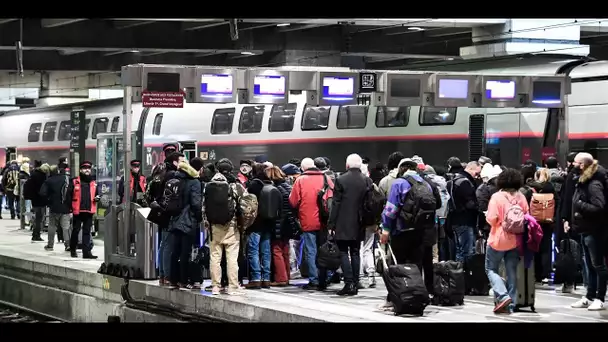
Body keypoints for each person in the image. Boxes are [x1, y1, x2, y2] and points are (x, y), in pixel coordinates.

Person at [380, 158, 434, 308]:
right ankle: (416, 296)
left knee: (397, 266)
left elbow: (391, 209)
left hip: (401, 230)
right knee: (416, 266)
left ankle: (394, 298)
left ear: (401, 169)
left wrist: (386, 229)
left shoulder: (399, 183)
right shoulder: (425, 184)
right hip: (420, 231)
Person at [485, 168, 528, 314]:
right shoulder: (521, 197)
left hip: (498, 238)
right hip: (516, 239)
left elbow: (491, 218)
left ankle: (503, 296)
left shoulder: (497, 197)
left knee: (491, 269)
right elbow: (526, 215)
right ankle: (512, 303)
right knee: (512, 271)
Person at [569, 152, 607, 311]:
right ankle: (589, 295)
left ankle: (599, 297)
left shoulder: (593, 184)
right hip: (585, 229)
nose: (572, 164)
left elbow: (599, 206)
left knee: (598, 265)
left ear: (583, 165)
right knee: (589, 265)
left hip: (595, 230)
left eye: (575, 162)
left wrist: (580, 205)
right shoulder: (583, 181)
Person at [289, 157, 334, 290]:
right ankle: (324, 277)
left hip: (307, 220)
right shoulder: (326, 178)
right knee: (324, 250)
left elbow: (293, 201)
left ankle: (314, 280)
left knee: (311, 250)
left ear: (302, 169)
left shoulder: (301, 180)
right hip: (325, 220)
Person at [328, 154, 369, 296]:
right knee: (356, 251)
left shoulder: (341, 180)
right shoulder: (366, 180)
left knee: (344, 252)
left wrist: (331, 224)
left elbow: (336, 203)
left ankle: (349, 283)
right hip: (360, 222)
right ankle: (356, 283)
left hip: (343, 222)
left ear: (347, 165)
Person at [205, 159, 247, 295]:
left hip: (214, 228)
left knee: (215, 258)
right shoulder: (236, 186)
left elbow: (203, 208)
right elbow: (246, 206)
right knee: (232, 258)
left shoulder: (208, 186)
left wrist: (207, 224)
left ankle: (216, 286)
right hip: (232, 227)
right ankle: (233, 286)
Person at [167, 159, 202, 289]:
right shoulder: (194, 182)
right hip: (187, 221)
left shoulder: (174, 181)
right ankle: (184, 280)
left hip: (174, 220)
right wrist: (198, 217)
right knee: (185, 252)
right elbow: (196, 204)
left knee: (175, 251)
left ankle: (173, 279)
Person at [244, 163, 278, 289]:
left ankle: (256, 278)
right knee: (266, 252)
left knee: (253, 251)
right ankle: (267, 279)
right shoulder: (270, 184)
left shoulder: (253, 185)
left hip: (256, 223)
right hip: (268, 223)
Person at [523, 168, 556, 283]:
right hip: (547, 222)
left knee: (533, 246)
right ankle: (546, 273)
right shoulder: (551, 188)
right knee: (546, 247)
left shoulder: (531, 188)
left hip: (534, 222)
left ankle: (535, 273)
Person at [448, 161, 482, 263]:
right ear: (471, 169)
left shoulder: (455, 180)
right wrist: (478, 208)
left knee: (460, 250)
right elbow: (470, 203)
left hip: (456, 220)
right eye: (477, 173)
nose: (477, 177)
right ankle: (465, 276)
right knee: (467, 252)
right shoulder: (465, 182)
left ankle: (458, 275)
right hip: (465, 221)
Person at [268, 166, 295, 287]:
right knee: (285, 250)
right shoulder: (288, 187)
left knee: (276, 250)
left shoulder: (275, 189)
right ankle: (287, 276)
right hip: (288, 223)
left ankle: (281, 278)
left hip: (279, 222)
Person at [70, 161, 99, 259]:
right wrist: (69, 209)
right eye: (85, 168)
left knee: (87, 231)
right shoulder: (74, 181)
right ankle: (73, 249)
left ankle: (86, 253)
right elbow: (69, 196)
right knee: (76, 230)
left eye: (88, 168)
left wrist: (97, 198)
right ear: (81, 170)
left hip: (89, 210)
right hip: (77, 211)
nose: (87, 170)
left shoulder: (93, 182)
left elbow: (96, 194)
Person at [40, 165, 72, 252]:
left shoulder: (49, 181)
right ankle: (68, 245)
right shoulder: (66, 179)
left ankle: (50, 245)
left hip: (53, 207)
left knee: (52, 226)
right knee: (66, 227)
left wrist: (49, 200)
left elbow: (42, 193)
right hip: (65, 207)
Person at [24, 162, 50, 242]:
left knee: (37, 218)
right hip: (40, 200)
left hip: (34, 199)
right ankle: (36, 235)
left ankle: (35, 234)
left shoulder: (34, 174)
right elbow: (43, 190)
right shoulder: (41, 176)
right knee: (39, 218)